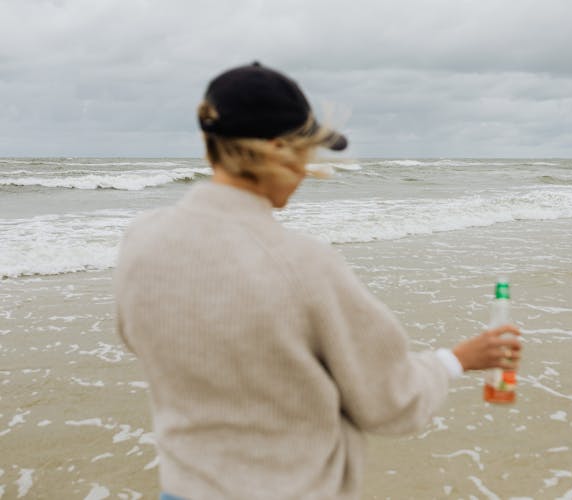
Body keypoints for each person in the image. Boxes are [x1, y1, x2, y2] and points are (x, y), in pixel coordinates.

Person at [114, 62, 522, 500]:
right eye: (305, 152)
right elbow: (390, 404)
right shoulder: (302, 264)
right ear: (276, 149)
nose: (308, 168)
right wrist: (456, 359)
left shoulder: (141, 239)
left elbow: (140, 339)